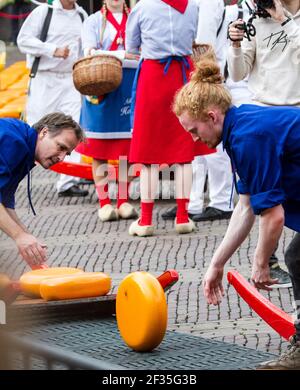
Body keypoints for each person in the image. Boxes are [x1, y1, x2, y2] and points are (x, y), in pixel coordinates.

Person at [173, 58, 300, 369]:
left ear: (212, 116)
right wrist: (216, 265)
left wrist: (260, 264)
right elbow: (245, 207)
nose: (193, 139)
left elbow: (273, 216)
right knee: (298, 257)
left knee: (298, 257)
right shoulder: (239, 129)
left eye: (193, 130)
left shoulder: (247, 136)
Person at [126, 0, 214, 237]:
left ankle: (145, 221)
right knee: (183, 153)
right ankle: (183, 217)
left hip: (154, 77)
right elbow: (194, 37)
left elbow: (131, 46)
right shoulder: (193, 5)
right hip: (182, 75)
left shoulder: (143, 7)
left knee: (148, 155)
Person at [226, 0, 299, 288]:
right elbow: (238, 73)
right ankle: (267, 262)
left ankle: (292, 258)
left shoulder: (286, 18)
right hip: (263, 113)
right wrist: (234, 45)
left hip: (294, 117)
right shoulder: (255, 19)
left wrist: (284, 20)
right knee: (260, 195)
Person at [17, 0, 89, 198]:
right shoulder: (43, 12)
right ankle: (18, 171)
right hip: (44, 79)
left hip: (70, 80)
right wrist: (52, 49)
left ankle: (68, 181)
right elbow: (23, 40)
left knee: (74, 126)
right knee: (36, 129)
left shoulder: (81, 15)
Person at [76, 0, 139, 222]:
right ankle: (104, 203)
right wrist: (123, 56)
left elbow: (144, 49)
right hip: (101, 87)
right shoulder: (93, 21)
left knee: (127, 149)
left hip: (129, 87)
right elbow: (89, 51)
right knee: (99, 149)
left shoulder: (136, 17)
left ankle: (123, 200)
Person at [0, 112, 84, 269]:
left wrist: (27, 239)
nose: (61, 158)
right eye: (61, 147)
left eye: (67, 153)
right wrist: (19, 236)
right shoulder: (13, 141)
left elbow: (5, 202)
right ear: (44, 132)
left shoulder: (24, 146)